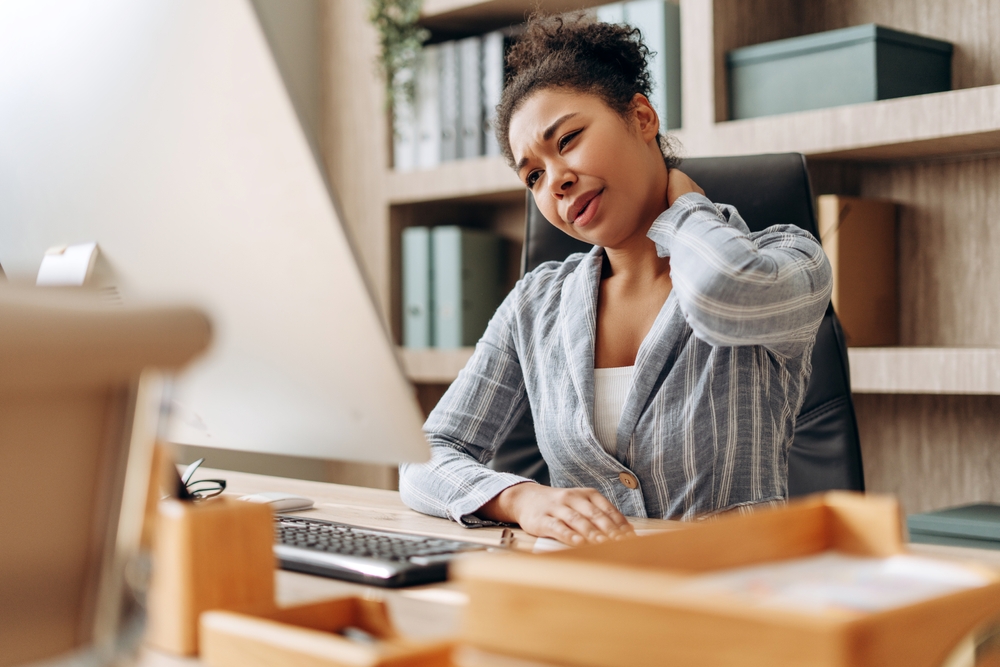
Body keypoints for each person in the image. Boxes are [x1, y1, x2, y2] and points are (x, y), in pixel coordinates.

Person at [399, 13, 832, 546]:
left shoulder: (785, 257)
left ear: (642, 117)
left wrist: (687, 206)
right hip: (595, 600)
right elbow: (426, 458)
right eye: (532, 175)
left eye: (569, 139)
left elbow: (723, 292)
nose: (555, 180)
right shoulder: (536, 304)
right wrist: (523, 499)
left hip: (736, 596)